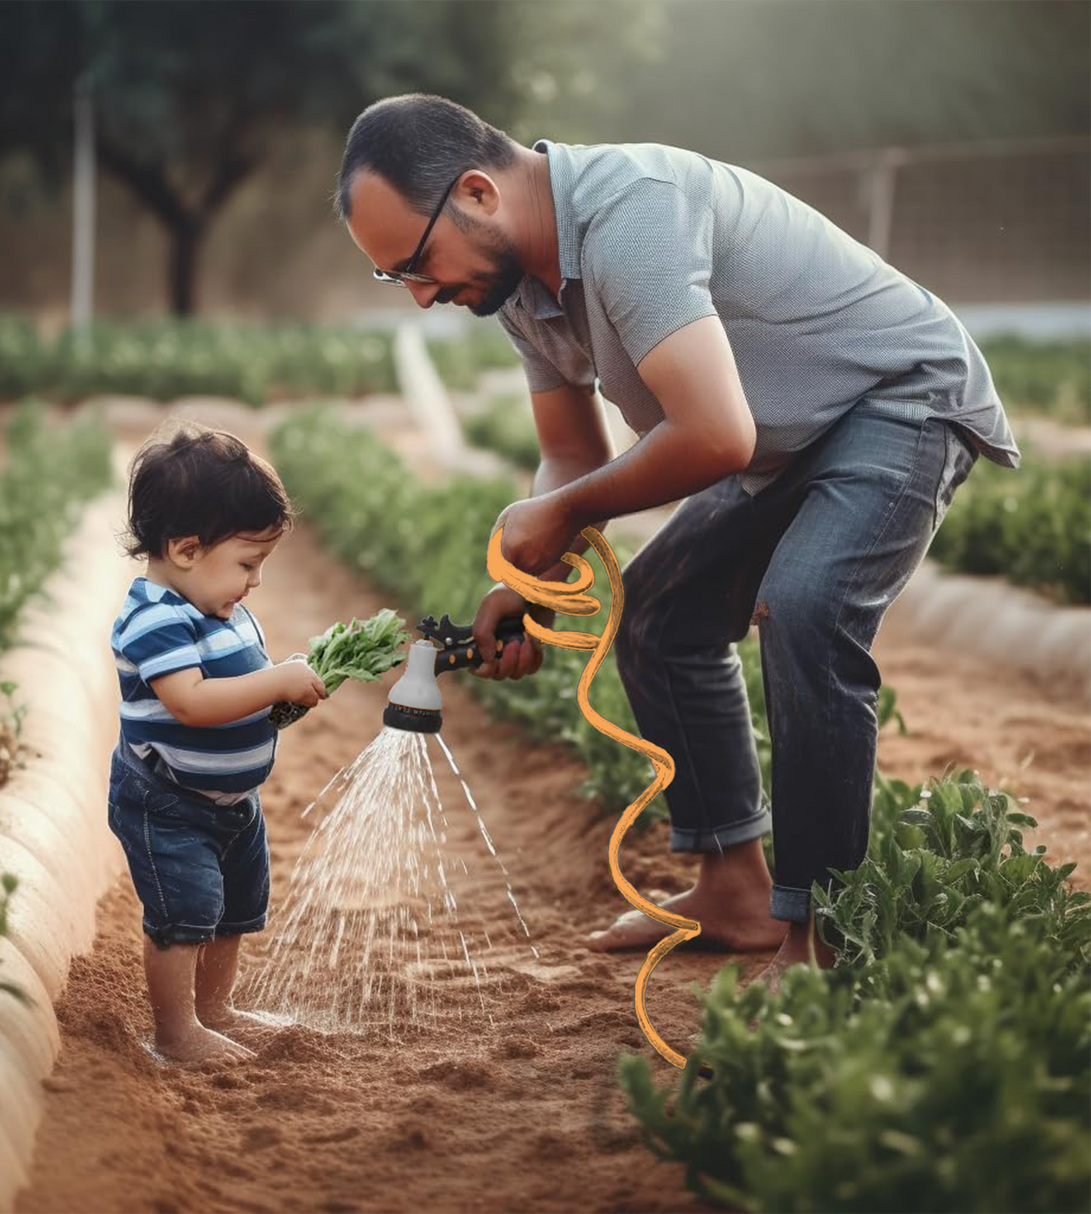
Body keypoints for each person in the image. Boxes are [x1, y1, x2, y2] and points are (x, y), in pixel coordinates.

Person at [334, 93, 1019, 989]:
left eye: (417, 264)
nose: (423, 297)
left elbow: (716, 438)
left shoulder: (630, 213)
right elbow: (571, 458)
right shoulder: (519, 290)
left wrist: (560, 513)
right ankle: (732, 888)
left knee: (807, 607)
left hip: (899, 399)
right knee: (659, 613)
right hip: (796, 433)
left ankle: (825, 932)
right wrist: (533, 578)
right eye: (398, 280)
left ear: (477, 192)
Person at [109, 421, 328, 1062]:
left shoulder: (219, 609)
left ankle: (216, 1009)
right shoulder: (154, 618)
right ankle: (175, 1032)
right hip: (169, 804)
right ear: (184, 549)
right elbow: (192, 703)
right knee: (184, 916)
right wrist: (272, 681)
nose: (254, 581)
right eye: (247, 563)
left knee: (234, 907)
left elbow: (240, 702)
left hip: (232, 803)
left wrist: (283, 700)